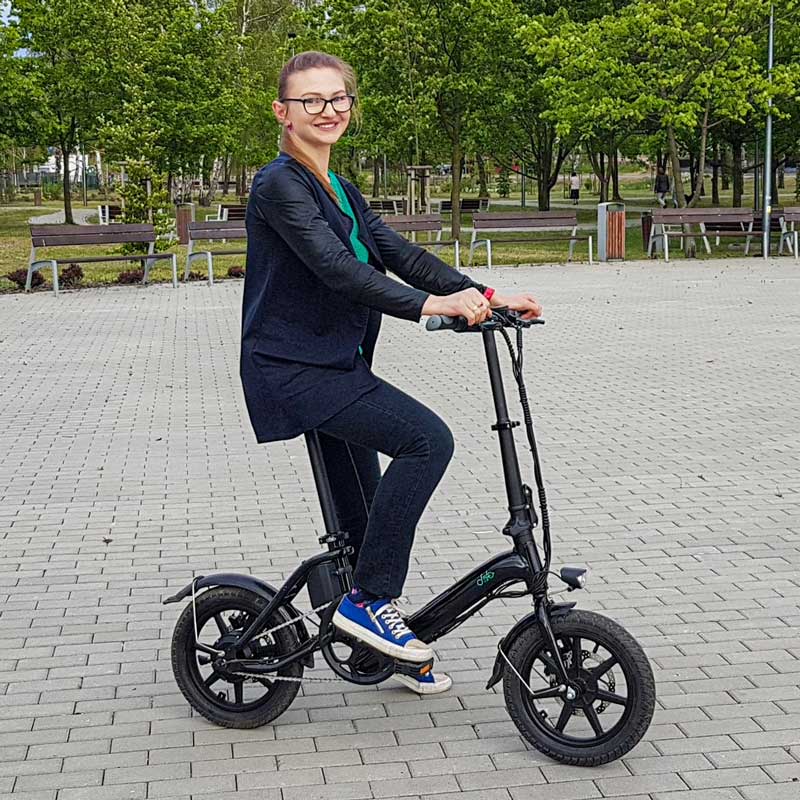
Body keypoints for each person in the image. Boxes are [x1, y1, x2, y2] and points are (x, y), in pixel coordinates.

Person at [240, 51, 542, 695]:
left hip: (335, 363)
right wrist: (434, 307)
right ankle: (368, 602)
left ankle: (373, 638)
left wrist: (483, 296)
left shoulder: (341, 190)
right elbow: (335, 268)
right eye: (311, 101)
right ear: (283, 113)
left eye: (338, 98)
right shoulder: (278, 185)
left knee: (367, 514)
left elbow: (398, 253)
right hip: (296, 369)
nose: (328, 110)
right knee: (426, 439)